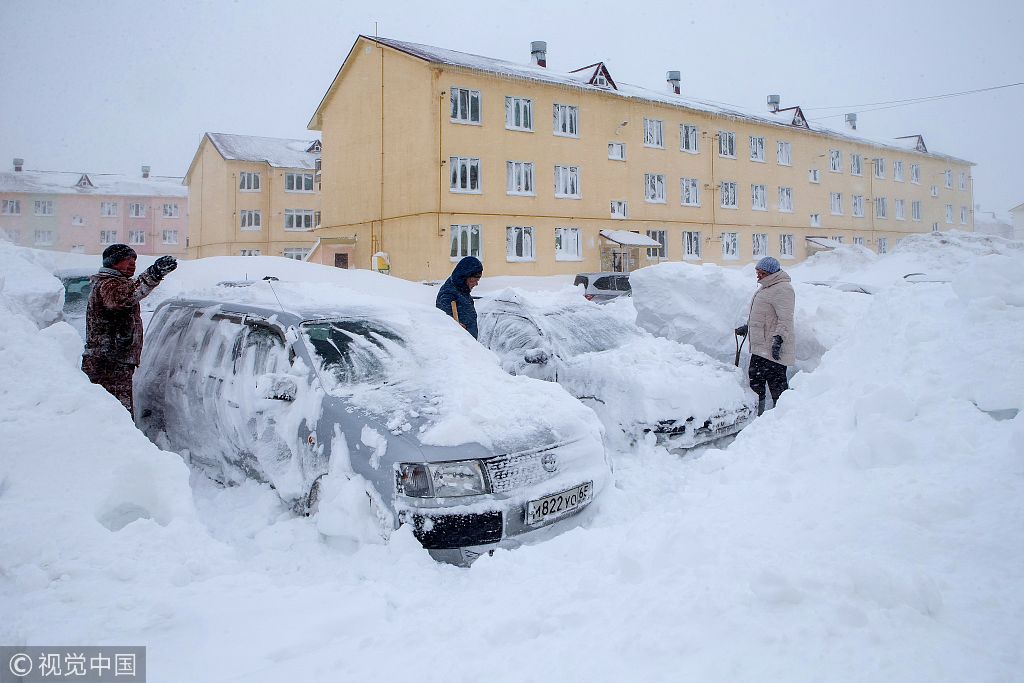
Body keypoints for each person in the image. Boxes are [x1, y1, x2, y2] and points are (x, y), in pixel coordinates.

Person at [82, 244, 178, 413]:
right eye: (127, 260)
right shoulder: (108, 285)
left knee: (114, 413)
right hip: (107, 364)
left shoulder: (115, 283)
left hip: (113, 361)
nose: (132, 263)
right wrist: (154, 273)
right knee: (114, 414)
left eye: (134, 259)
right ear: (113, 263)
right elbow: (125, 296)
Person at [734, 256, 795, 416]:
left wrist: (778, 339)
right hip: (760, 348)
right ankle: (758, 418)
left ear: (770, 273)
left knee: (778, 388)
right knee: (755, 384)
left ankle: (783, 417)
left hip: (773, 349)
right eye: (757, 272)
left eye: (761, 273)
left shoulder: (783, 289)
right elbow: (765, 316)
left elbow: (785, 319)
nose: (758, 276)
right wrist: (748, 327)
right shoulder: (767, 287)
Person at [436, 256, 483, 339]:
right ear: (464, 277)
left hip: (469, 346)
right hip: (459, 348)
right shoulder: (448, 294)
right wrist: (454, 326)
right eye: (474, 280)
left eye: (477, 280)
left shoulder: (463, 291)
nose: (476, 284)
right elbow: (443, 324)